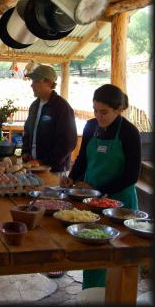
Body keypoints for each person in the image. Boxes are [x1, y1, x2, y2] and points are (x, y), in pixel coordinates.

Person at [60, 83, 141, 291]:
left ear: (118, 109)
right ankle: (92, 295)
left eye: (104, 112)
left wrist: (98, 191)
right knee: (94, 249)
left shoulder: (130, 133)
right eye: (95, 110)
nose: (98, 116)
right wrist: (72, 177)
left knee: (121, 256)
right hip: (92, 201)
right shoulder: (90, 126)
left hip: (121, 203)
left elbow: (132, 175)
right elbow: (82, 160)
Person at [22, 64, 77, 278]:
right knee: (38, 212)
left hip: (54, 171)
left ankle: (58, 260)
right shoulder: (35, 106)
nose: (32, 85)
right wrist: (26, 152)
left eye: (35, 81)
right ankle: (41, 254)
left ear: (48, 82)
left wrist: (49, 163)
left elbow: (69, 141)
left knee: (54, 215)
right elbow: (27, 131)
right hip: (34, 168)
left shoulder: (62, 107)